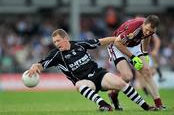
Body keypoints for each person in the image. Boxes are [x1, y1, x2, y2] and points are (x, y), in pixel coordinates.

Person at [28, 29, 157, 111]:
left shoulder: (79, 44)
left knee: (122, 83)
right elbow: (42, 64)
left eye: (58, 41)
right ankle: (104, 105)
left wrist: (116, 39)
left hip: (98, 75)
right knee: (79, 85)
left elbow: (100, 42)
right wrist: (36, 66)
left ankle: (146, 107)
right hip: (85, 81)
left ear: (66, 38)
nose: (56, 44)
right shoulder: (56, 54)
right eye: (54, 42)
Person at [107, 15, 166, 110]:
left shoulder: (150, 30)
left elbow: (147, 37)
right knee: (127, 76)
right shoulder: (133, 28)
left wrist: (145, 53)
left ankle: (159, 104)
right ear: (144, 24)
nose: (148, 32)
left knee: (147, 72)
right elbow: (118, 42)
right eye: (147, 29)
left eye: (151, 31)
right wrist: (132, 57)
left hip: (134, 46)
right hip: (117, 46)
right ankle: (114, 95)